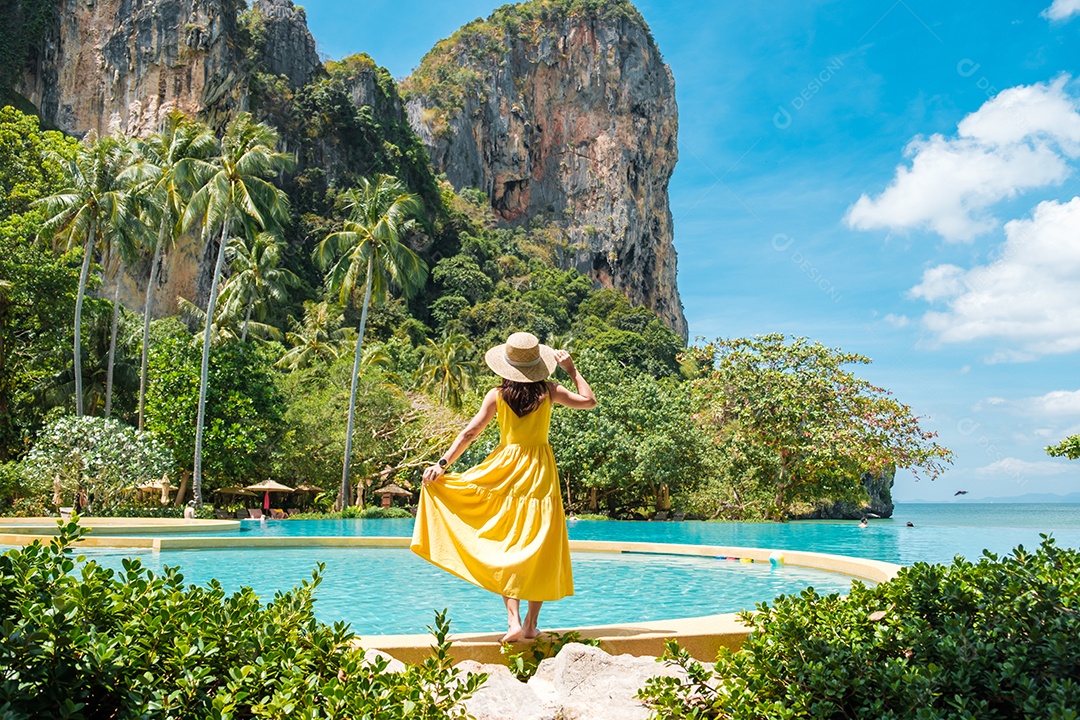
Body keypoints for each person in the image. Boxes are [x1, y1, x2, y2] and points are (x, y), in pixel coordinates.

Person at [411, 332, 597, 643]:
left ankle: (512, 622)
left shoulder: (496, 395)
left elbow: (471, 432)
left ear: (506, 366)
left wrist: (442, 464)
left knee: (505, 544)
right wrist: (573, 370)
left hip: (503, 471)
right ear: (538, 364)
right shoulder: (551, 391)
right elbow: (589, 401)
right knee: (542, 544)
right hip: (539, 473)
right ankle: (530, 624)